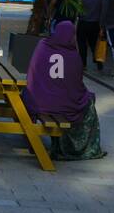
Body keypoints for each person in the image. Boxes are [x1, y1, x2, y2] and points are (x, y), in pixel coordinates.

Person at [24, 20, 105, 161]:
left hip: (38, 103)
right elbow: (77, 85)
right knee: (88, 103)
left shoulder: (43, 45)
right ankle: (80, 148)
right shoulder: (73, 54)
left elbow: (32, 73)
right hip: (64, 106)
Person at [76, 0, 104, 72]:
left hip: (83, 23)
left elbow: (78, 11)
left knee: (82, 44)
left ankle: (83, 64)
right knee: (95, 44)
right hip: (95, 24)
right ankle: (99, 62)